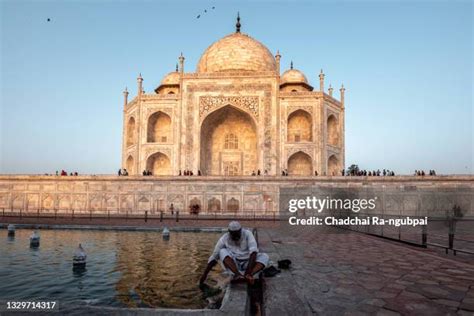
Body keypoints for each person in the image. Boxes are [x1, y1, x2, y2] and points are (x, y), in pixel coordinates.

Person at [200, 221, 269, 285]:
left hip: (248, 263)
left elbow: (253, 252)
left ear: (240, 230)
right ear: (229, 232)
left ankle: (249, 275)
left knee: (264, 256)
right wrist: (205, 274)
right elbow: (214, 256)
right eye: (233, 234)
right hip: (234, 265)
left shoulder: (247, 234)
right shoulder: (224, 238)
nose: (236, 236)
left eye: (237, 233)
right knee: (222, 251)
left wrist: (248, 272)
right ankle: (238, 275)